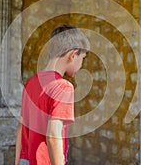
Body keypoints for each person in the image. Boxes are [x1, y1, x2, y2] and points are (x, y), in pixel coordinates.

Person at [15, 25, 90, 165]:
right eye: (82, 58)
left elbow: (21, 128)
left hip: (25, 160)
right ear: (73, 55)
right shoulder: (63, 87)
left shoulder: (30, 83)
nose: (81, 65)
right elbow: (53, 135)